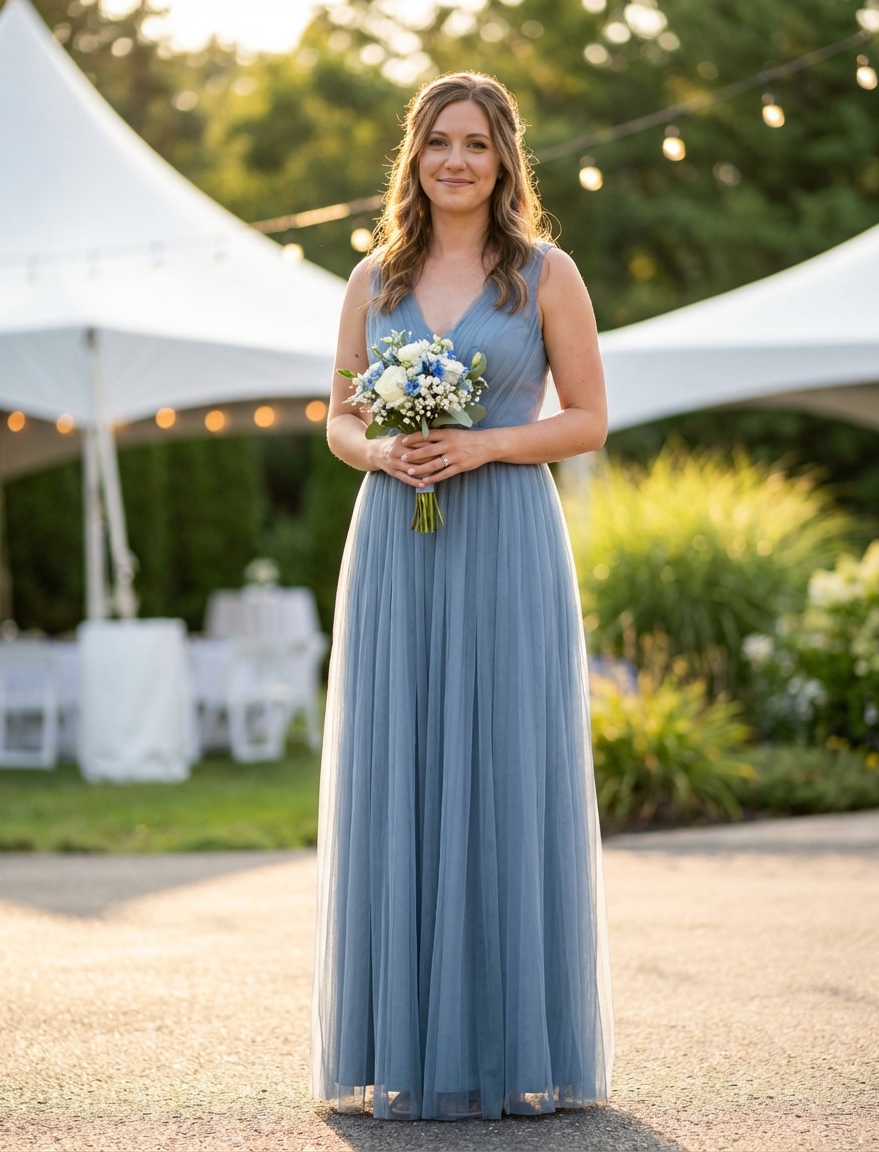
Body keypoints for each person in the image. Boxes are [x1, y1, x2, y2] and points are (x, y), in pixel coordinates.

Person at [310, 70, 614, 1122]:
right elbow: (339, 418)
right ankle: (393, 1041)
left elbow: (587, 420)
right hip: (398, 541)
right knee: (404, 771)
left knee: (498, 773)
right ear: (415, 155)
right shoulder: (372, 280)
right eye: (439, 140)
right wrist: (379, 455)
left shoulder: (543, 275)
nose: (455, 159)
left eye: (476, 143)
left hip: (506, 544)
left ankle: (506, 1043)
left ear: (503, 159)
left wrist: (481, 443)